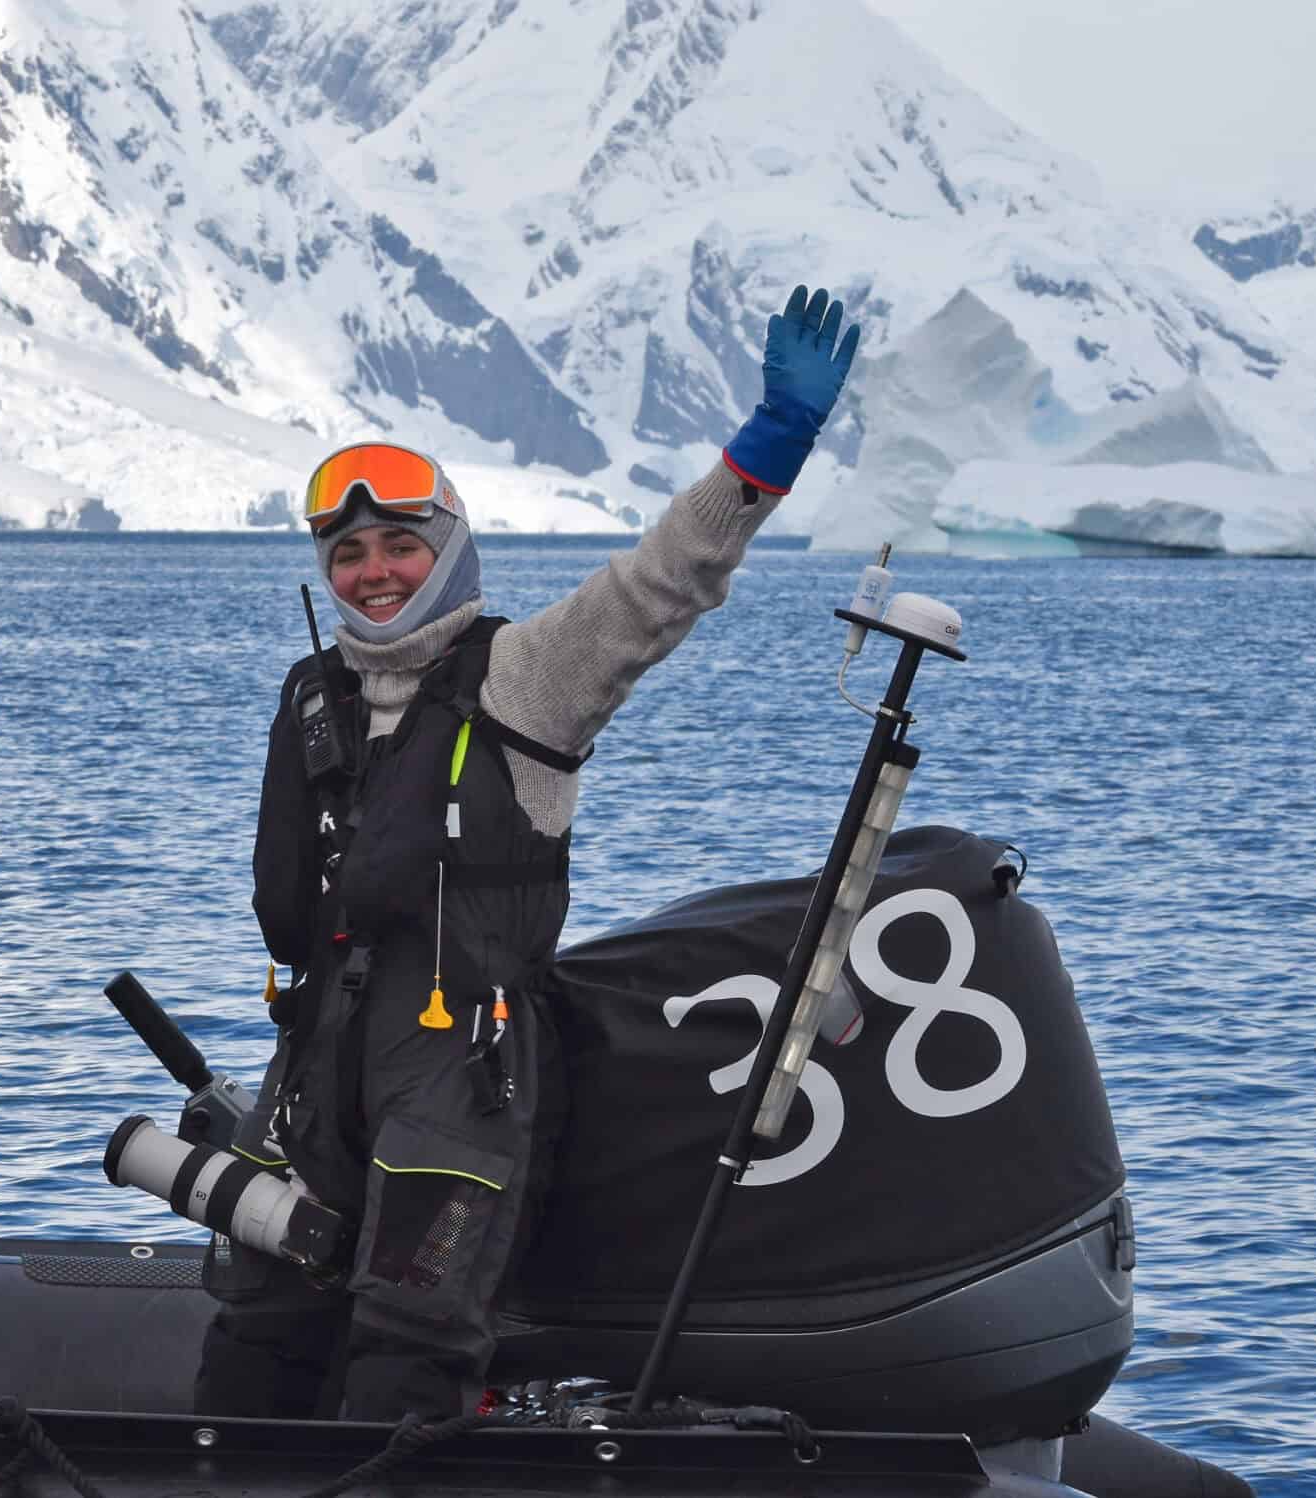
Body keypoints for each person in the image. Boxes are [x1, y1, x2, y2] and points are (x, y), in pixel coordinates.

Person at [196, 285, 862, 1423]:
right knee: (254, 1348)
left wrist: (770, 445)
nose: (373, 571)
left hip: (458, 1080)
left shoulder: (526, 678)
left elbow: (659, 584)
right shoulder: (315, 700)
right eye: (347, 551)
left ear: (449, 550)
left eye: (400, 544)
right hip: (315, 1074)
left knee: (405, 1354)